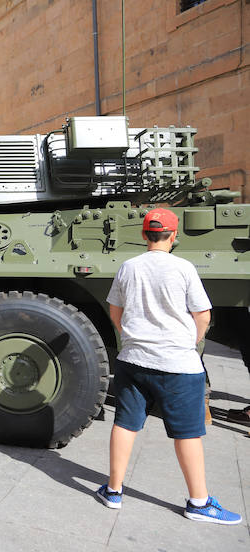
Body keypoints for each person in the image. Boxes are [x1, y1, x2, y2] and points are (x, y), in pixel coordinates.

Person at [96, 208, 242, 525]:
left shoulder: (128, 267)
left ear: (143, 234)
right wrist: (192, 341)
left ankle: (113, 491)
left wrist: (131, 337)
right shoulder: (184, 268)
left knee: (125, 424)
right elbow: (202, 314)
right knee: (187, 434)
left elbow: (115, 311)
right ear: (174, 236)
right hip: (178, 366)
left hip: (133, 361)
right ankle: (199, 503)